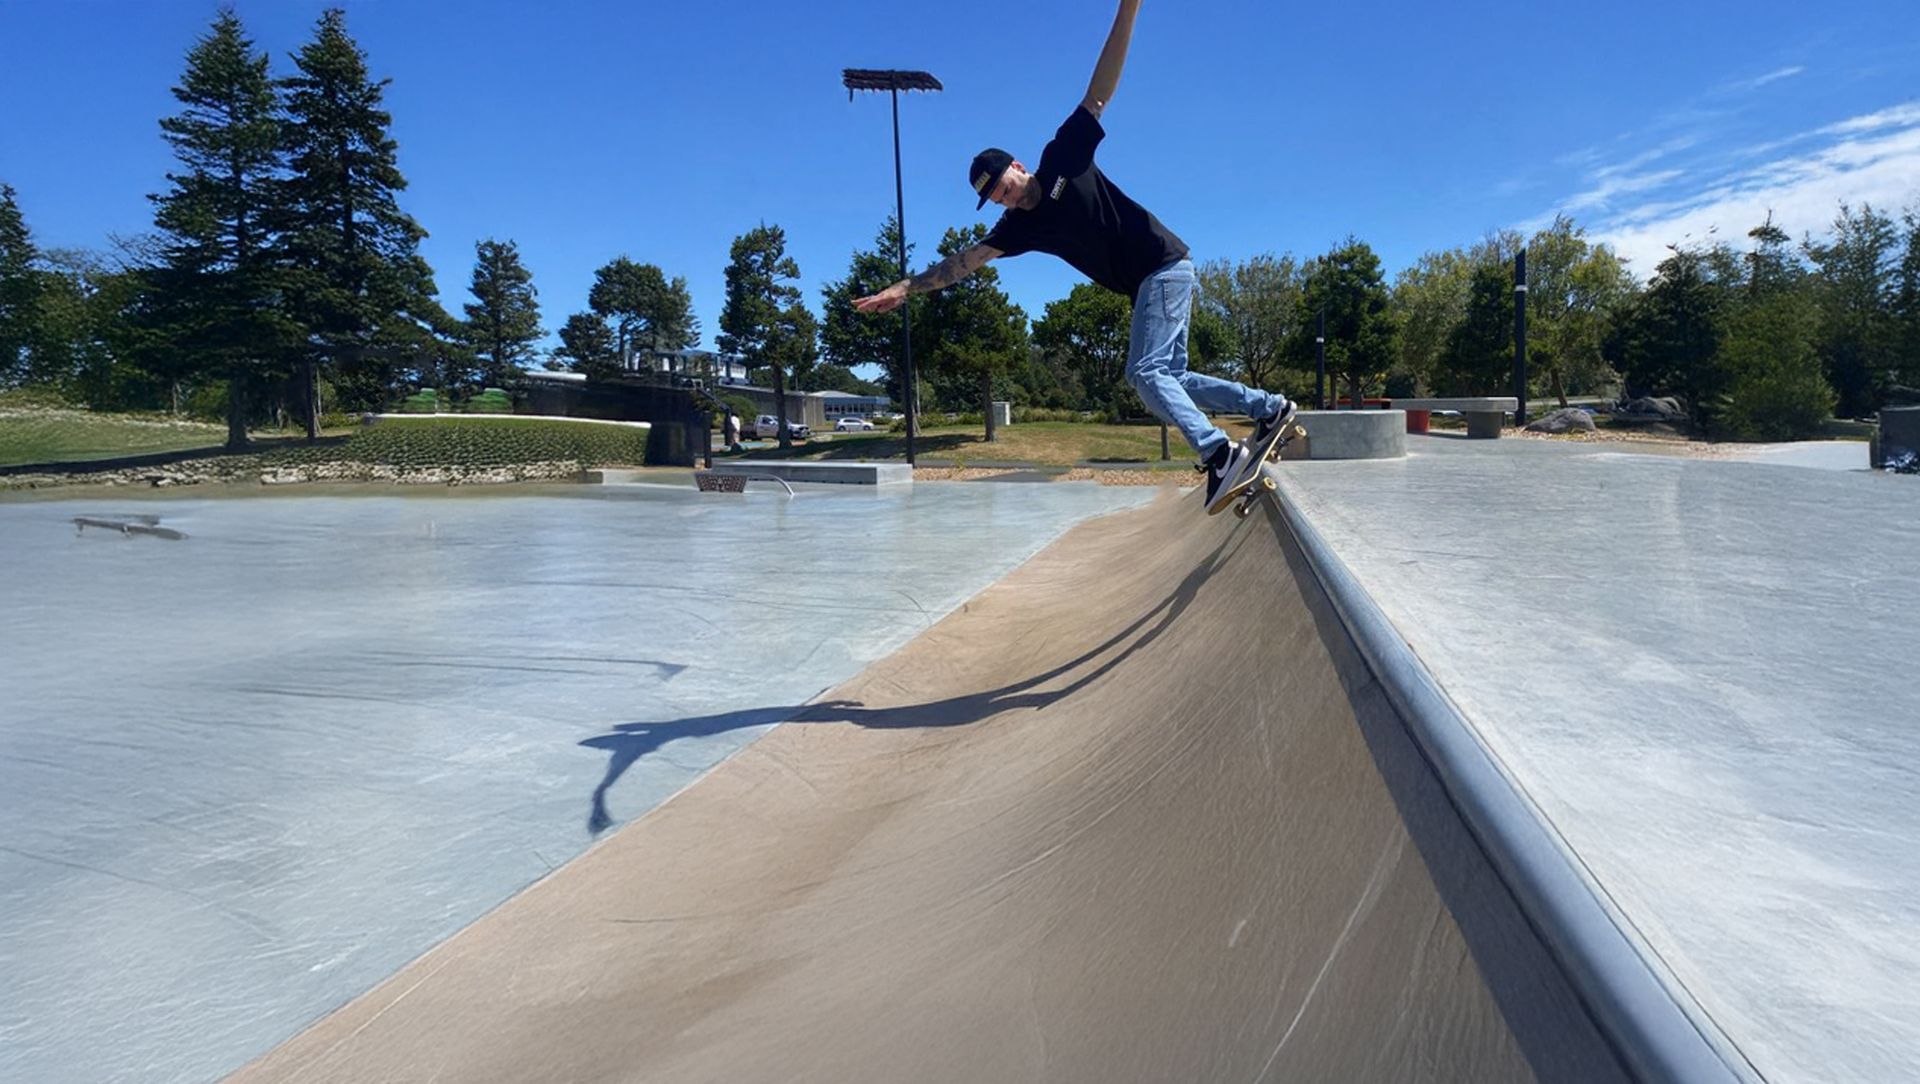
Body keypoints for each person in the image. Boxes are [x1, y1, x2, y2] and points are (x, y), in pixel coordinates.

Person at [854, 0, 1295, 514]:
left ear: (1018, 166)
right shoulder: (1019, 227)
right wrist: (903, 289)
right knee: (1170, 378)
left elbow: (1100, 90)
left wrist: (1128, 10)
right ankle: (1269, 409)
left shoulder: (1063, 154)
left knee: (1144, 373)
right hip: (1155, 280)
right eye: (996, 197)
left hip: (1163, 265)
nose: (1006, 197)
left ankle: (1220, 453)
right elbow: (964, 262)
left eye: (1005, 185)